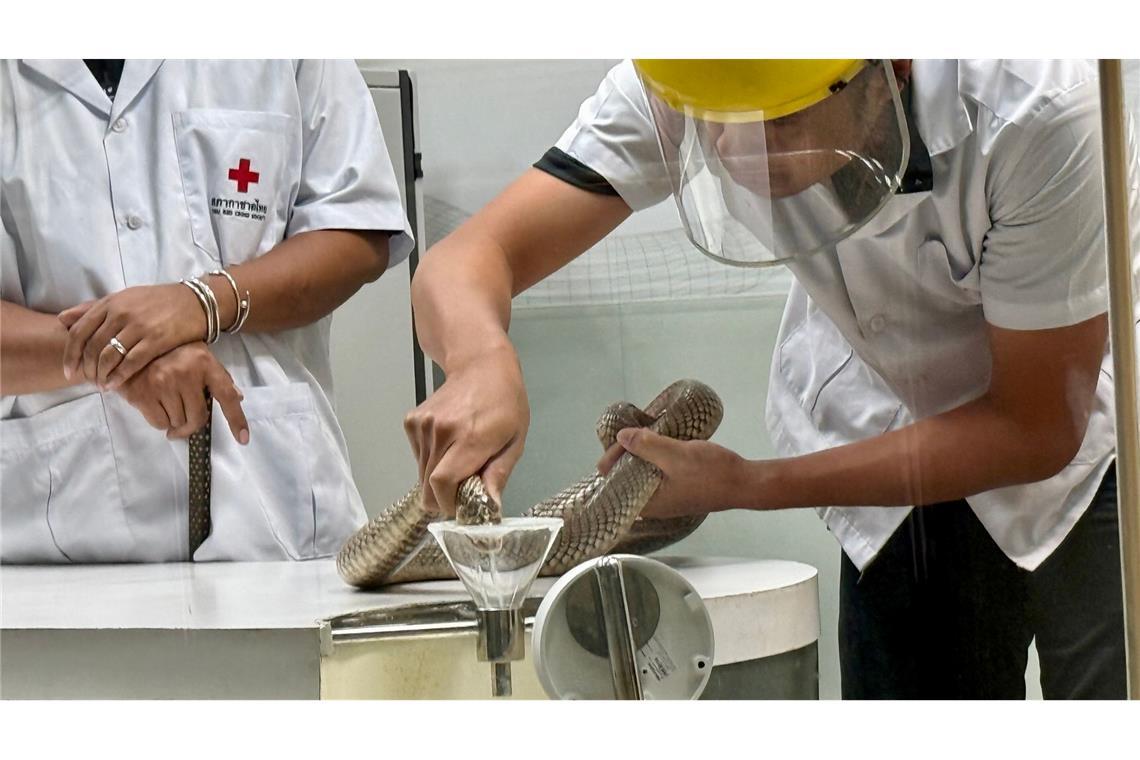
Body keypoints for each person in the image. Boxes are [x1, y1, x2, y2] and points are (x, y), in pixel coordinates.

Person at [405, 59, 1134, 698]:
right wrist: (479, 361)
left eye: (781, 124)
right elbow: (468, 259)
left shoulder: (1039, 103)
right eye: (718, 125)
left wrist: (749, 484)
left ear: (891, 71)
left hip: (1087, 450)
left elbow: (1035, 427)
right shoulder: (689, 73)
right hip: (883, 435)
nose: (738, 150)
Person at [1, 59, 413, 563]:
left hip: (273, 517)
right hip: (57, 538)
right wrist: (118, 356)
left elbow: (356, 228)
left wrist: (203, 302)